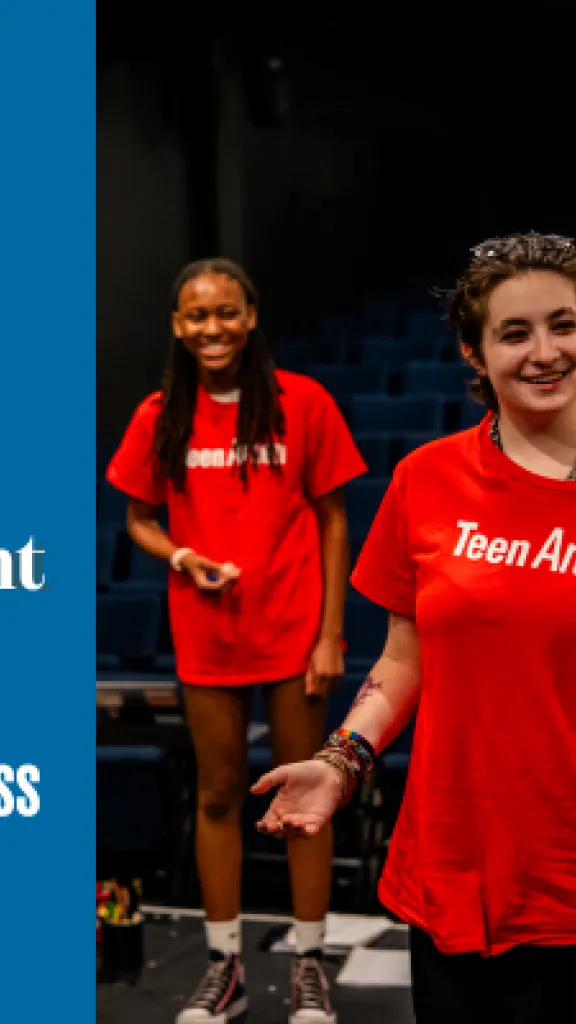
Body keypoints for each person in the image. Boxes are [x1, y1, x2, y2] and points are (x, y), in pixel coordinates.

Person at [253, 232, 576, 1023]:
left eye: (565, 324)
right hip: (458, 866)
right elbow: (404, 660)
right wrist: (339, 762)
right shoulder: (427, 479)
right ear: (475, 351)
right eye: (514, 332)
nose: (545, 352)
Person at [106, 258, 367, 1023]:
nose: (210, 328)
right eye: (195, 316)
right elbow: (139, 519)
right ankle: (225, 969)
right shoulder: (160, 414)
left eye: (225, 313)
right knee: (218, 795)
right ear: (178, 327)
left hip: (292, 633)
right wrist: (182, 556)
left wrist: (331, 636)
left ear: (251, 317)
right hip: (208, 635)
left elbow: (334, 519)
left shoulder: (302, 402)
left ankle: (309, 965)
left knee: (303, 800)